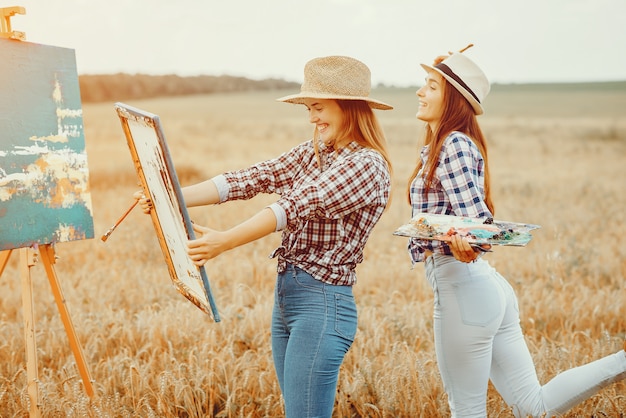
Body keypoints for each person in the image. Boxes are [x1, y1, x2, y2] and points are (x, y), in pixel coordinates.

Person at [136, 55, 393, 418]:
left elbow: (294, 206)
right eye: (309, 109)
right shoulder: (316, 153)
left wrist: (225, 240)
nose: (312, 118)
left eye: (318, 108)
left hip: (322, 305)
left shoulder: (366, 164)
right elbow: (254, 177)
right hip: (289, 299)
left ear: (349, 108)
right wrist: (164, 191)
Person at [406, 46, 626, 417]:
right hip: (485, 291)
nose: (419, 92)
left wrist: (466, 245)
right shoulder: (446, 143)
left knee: (467, 410)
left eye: (431, 86)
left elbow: (475, 223)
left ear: (452, 100)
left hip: (462, 289)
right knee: (533, 406)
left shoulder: (452, 144)